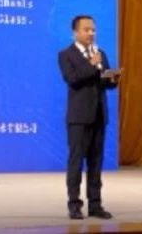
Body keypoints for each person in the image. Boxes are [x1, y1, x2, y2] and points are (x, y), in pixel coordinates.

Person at [57, 14, 119, 220]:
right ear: (75, 32)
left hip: (99, 115)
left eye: (93, 29)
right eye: (86, 30)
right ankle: (74, 205)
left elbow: (104, 83)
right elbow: (72, 79)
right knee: (76, 162)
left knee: (96, 162)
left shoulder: (100, 53)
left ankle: (95, 204)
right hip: (78, 117)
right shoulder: (66, 55)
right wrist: (92, 64)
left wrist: (113, 79)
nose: (91, 33)